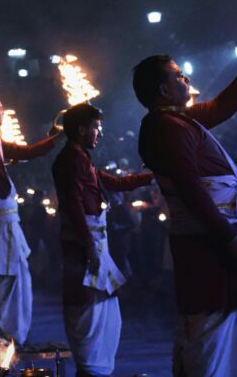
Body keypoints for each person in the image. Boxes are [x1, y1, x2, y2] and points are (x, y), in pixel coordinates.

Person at [134, 23, 237, 376]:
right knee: (209, 333)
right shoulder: (167, 128)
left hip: (216, 239)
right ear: (163, 90)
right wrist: (229, 238)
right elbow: (191, 189)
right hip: (211, 246)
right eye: (178, 76)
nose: (186, 79)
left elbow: (221, 107)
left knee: (222, 330)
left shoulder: (177, 120)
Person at [52, 103, 153, 377]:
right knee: (87, 309)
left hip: (93, 244)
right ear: (82, 130)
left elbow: (111, 182)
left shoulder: (80, 157)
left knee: (103, 309)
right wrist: (88, 247)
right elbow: (73, 206)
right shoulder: (71, 160)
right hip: (85, 246)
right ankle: (91, 371)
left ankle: (96, 370)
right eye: (96, 127)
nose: (100, 133)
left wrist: (150, 176)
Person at [0, 93, 62, 345]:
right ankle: (3, 338)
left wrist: (57, 137)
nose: (3, 111)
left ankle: (13, 335)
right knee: (3, 279)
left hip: (7, 222)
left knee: (16, 277)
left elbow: (26, 152)